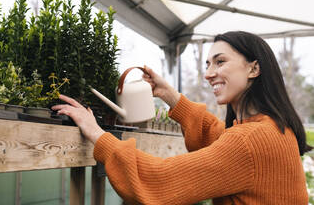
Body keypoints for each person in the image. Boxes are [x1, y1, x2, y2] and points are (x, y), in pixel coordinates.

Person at [52, 31, 311, 205]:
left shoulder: (251, 140)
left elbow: (161, 179)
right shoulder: (272, 128)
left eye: (219, 62)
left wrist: (97, 134)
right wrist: (168, 94)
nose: (209, 74)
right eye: (207, 64)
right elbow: (220, 136)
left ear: (254, 68)